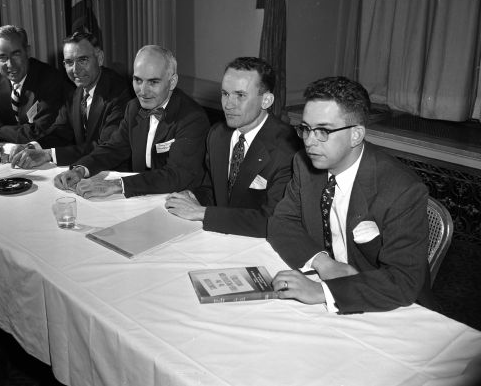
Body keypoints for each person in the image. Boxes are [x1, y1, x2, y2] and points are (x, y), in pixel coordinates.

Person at [267, 76, 434, 314]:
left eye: (323, 130)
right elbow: (281, 222)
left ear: (356, 135)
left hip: (393, 308)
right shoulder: (304, 165)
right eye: (305, 129)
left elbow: (403, 281)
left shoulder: (402, 189)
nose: (309, 142)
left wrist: (322, 292)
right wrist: (324, 264)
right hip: (328, 284)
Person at [164, 57, 300, 237]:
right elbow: (214, 188)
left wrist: (201, 213)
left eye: (240, 95)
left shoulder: (288, 148)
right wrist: (192, 195)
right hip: (221, 235)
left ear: (266, 100)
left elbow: (272, 220)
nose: (228, 104)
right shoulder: (218, 135)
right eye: (225, 94)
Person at [53, 45, 210, 198]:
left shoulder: (193, 118)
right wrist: (81, 169)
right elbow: (114, 148)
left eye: (153, 82)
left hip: (179, 201)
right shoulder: (134, 107)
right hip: (141, 196)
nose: (142, 91)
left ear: (173, 82)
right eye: (138, 80)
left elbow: (175, 175)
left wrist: (117, 185)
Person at [9, 30, 132, 168]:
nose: (75, 70)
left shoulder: (119, 92)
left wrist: (49, 154)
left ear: (100, 58)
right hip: (84, 170)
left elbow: (105, 146)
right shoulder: (76, 91)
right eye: (69, 62)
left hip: (114, 173)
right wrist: (32, 147)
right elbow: (61, 131)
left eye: (83, 60)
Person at [0, 25, 67, 163]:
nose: (10, 64)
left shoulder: (50, 78)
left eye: (16, 54)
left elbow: (38, 131)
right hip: (9, 156)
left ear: (27, 51)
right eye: (2, 57)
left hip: (42, 155)